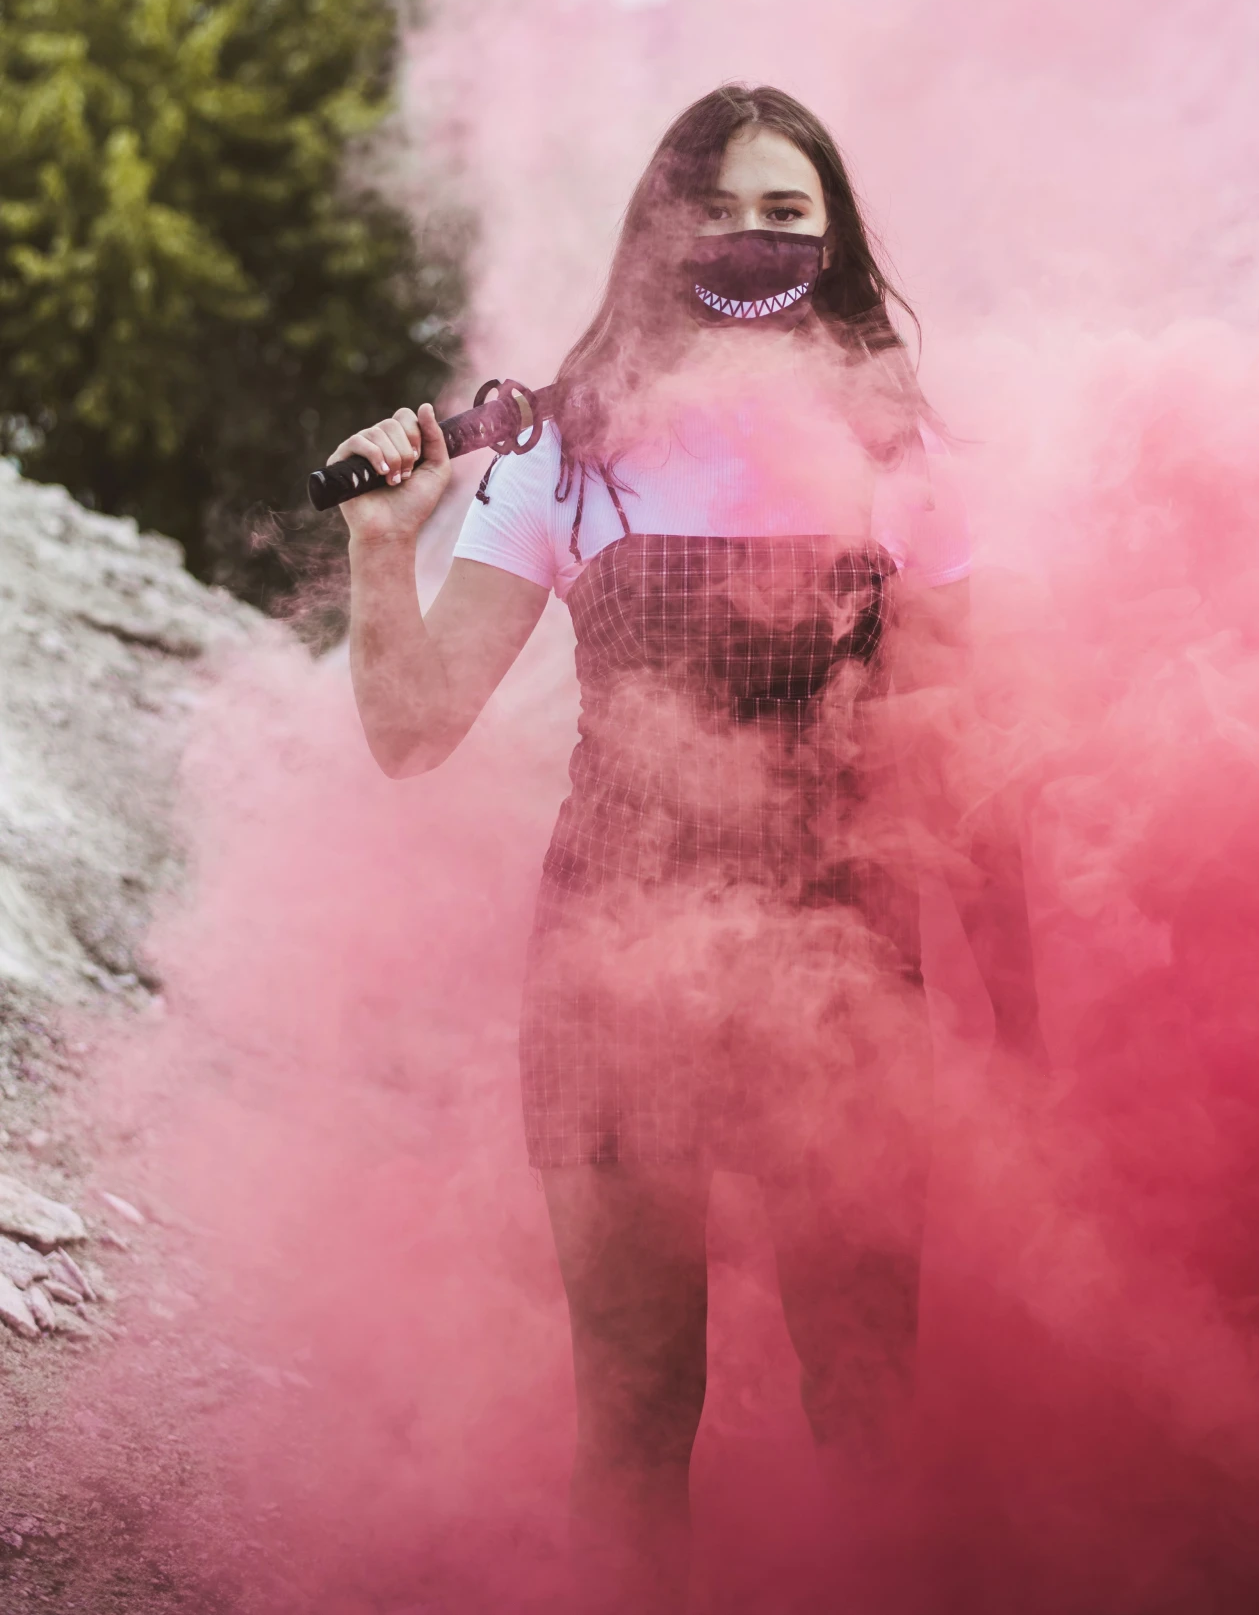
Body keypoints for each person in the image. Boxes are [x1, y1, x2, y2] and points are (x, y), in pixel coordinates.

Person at [328, 85, 1040, 1607]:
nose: (752, 237)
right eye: (719, 207)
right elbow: (414, 728)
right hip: (612, 972)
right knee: (643, 1411)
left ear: (835, 237)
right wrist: (382, 552)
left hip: (846, 970)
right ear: (663, 227)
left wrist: (1025, 1026)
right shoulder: (561, 454)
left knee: (867, 1404)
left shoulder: (902, 456)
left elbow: (962, 756)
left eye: (788, 211)